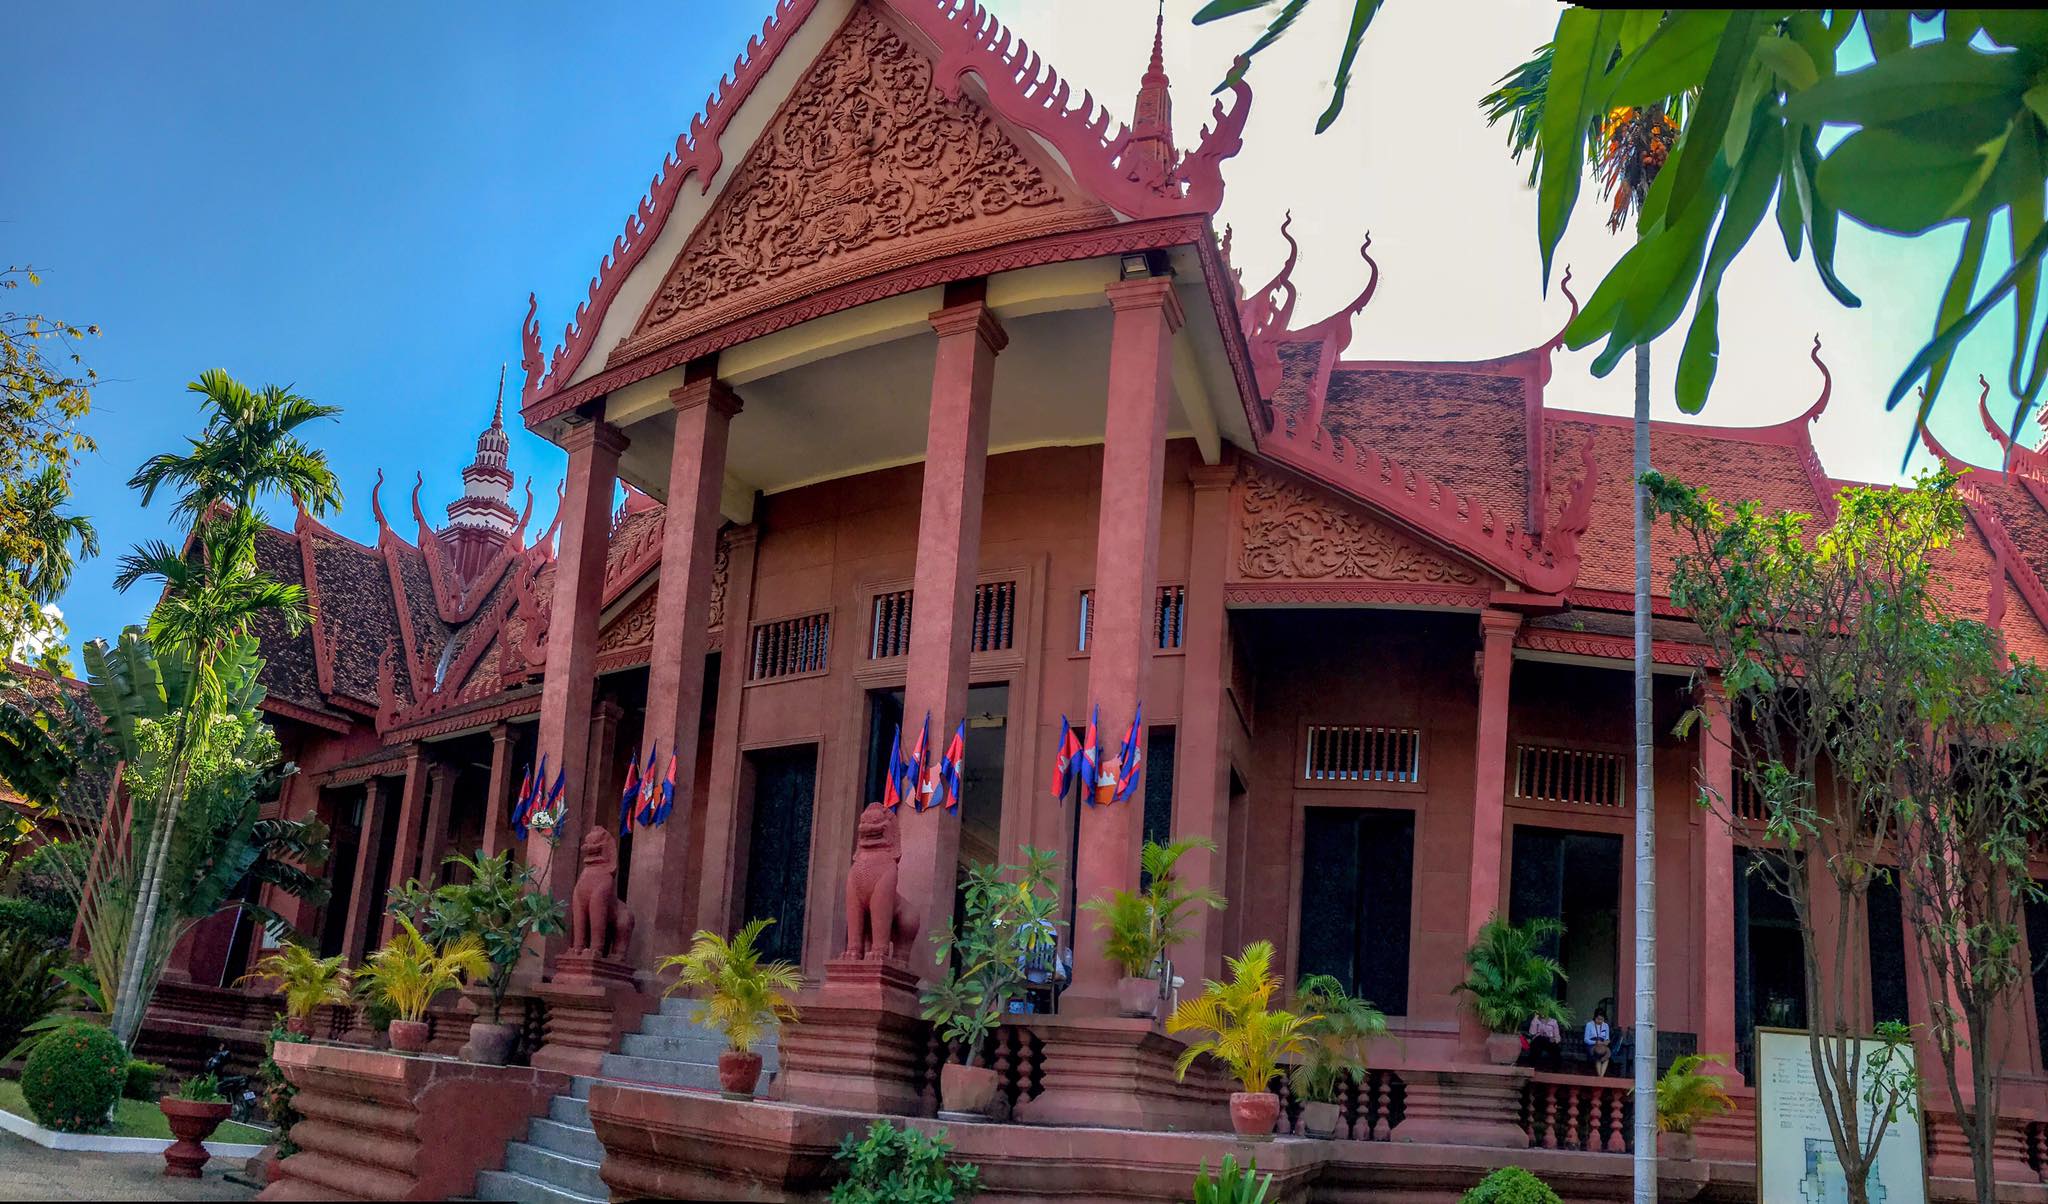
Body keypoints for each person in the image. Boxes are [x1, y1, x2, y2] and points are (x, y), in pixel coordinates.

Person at [1584, 1008, 1612, 1076]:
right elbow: (1586, 1040)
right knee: (1598, 1054)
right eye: (1598, 1019)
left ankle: (1600, 1077)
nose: (1600, 1021)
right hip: (1592, 1044)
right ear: (1595, 1017)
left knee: (1606, 1055)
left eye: (1601, 1019)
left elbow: (1607, 1037)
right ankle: (1600, 1077)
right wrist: (1595, 1042)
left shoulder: (1606, 1025)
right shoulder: (1589, 1025)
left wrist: (1607, 1041)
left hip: (1602, 1044)